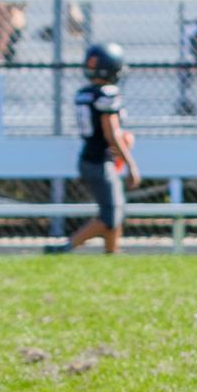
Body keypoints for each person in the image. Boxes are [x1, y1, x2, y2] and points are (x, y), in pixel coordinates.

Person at [48, 43, 139, 256]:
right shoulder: (108, 94)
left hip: (89, 157)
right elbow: (110, 133)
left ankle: (112, 252)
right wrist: (130, 164)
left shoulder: (85, 93)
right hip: (100, 161)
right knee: (111, 216)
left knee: (115, 207)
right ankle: (66, 247)